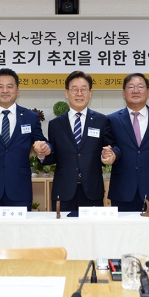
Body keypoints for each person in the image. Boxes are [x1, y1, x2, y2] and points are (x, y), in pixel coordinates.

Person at [0, 68, 51, 212]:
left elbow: (42, 142)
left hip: (20, 190)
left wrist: (43, 149)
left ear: (17, 90)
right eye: (0, 86)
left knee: (19, 227)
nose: (5, 90)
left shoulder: (30, 117)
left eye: (10, 86)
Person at [42, 71, 119, 211]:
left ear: (90, 93)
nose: (79, 93)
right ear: (67, 93)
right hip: (63, 191)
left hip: (92, 190)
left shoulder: (101, 120)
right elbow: (52, 156)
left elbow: (112, 146)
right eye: (74, 89)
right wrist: (43, 154)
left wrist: (110, 154)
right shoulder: (56, 124)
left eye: (83, 89)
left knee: (91, 225)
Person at [107, 73, 149, 211]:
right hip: (122, 190)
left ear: (147, 92)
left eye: (140, 87)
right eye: (131, 87)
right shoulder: (112, 120)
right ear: (123, 93)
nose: (135, 91)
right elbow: (111, 149)